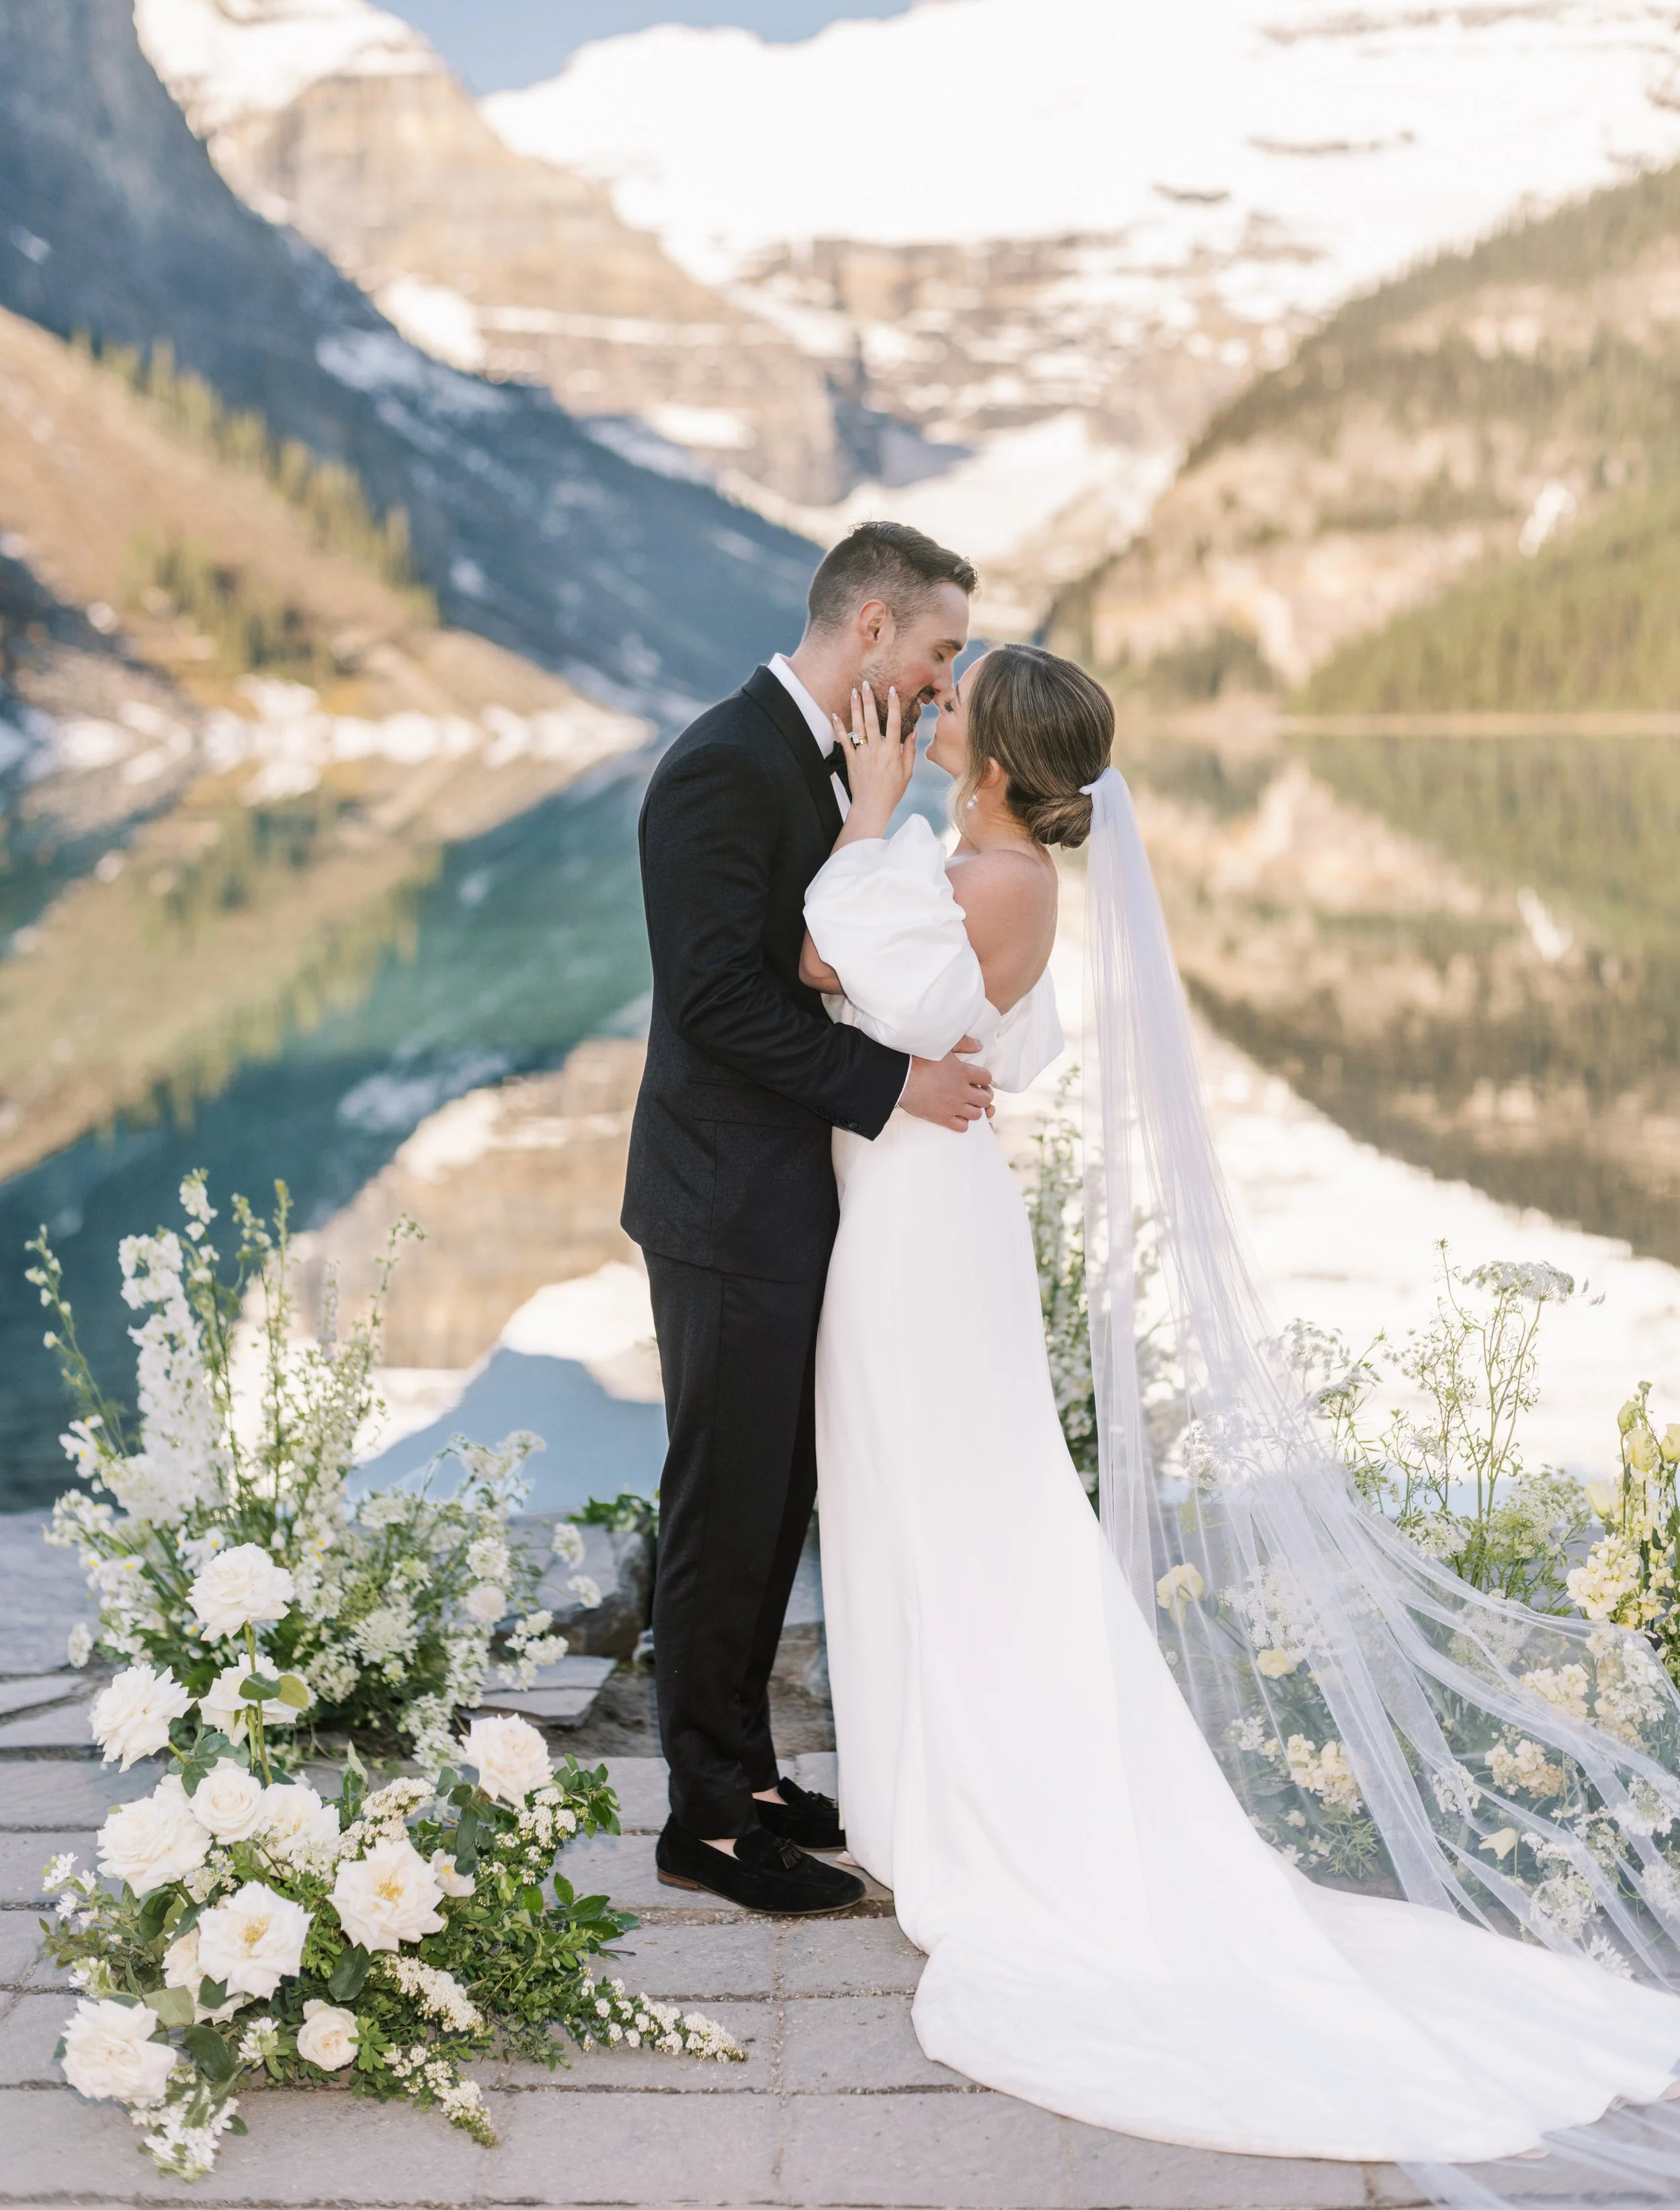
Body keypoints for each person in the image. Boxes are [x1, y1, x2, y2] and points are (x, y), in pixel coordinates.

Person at [800, 642, 1680, 2186]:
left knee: (965, 1503)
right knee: (910, 1493)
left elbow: (834, 966)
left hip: (924, 1220)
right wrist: (887, 840)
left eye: (949, 707)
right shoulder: (976, 858)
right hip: (905, 1196)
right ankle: (923, 1786)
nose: (925, 717)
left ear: (993, 758)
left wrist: (864, 820)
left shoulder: (990, 878)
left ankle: (1000, 1808)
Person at [622, 521, 993, 1915]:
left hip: (787, 1189)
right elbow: (715, 999)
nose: (948, 678)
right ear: (873, 626)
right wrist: (895, 1084)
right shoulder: (723, 765)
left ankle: (750, 1772)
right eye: (940, 650)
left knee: (776, 1491)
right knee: (725, 1500)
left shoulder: (828, 758)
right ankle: (703, 1823)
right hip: (722, 1195)